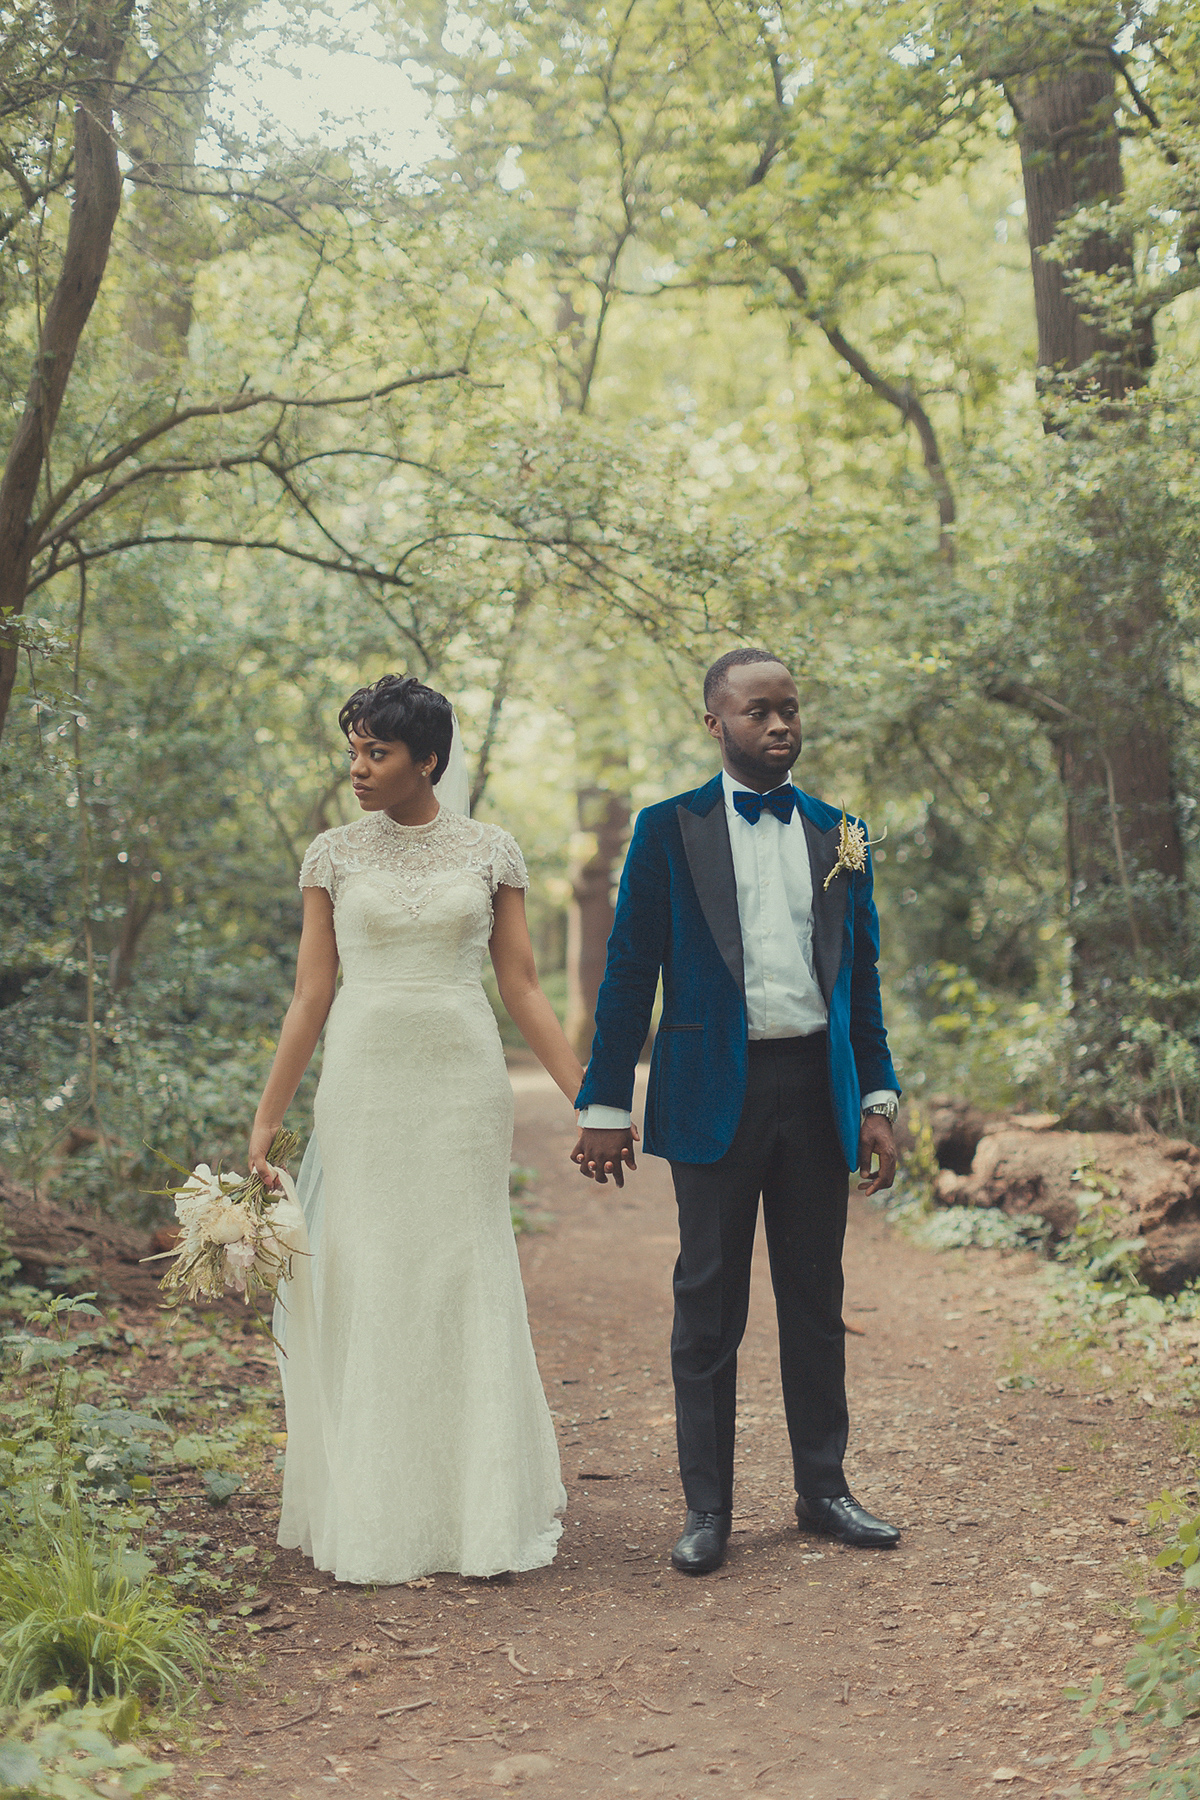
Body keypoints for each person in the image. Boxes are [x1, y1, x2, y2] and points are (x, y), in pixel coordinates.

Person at [572, 648, 901, 1576]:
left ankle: (824, 1489)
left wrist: (877, 1095)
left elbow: (861, 979)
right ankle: (707, 1509)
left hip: (814, 1086)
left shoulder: (842, 833)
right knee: (708, 1304)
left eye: (791, 709)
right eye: (759, 711)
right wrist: (604, 1100)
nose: (781, 725)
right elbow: (630, 970)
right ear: (715, 722)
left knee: (814, 1298)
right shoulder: (666, 829)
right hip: (714, 1092)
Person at [248, 674, 582, 1586]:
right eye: (353, 750)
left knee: (456, 1265)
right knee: (371, 1266)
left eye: (376, 752)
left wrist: (591, 1098)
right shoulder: (331, 855)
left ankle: (477, 1506)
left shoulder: (492, 850)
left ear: (427, 759)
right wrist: (268, 1119)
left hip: (462, 1085)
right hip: (363, 1083)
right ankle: (376, 1506)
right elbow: (313, 993)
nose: (357, 768)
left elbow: (520, 987)